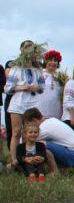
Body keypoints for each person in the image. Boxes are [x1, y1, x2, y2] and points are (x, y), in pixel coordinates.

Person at [5, 41, 45, 169]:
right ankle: (15, 161)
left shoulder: (37, 70)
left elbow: (42, 87)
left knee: (30, 132)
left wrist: (36, 87)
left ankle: (30, 160)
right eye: (26, 47)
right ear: (21, 49)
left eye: (31, 47)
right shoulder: (15, 69)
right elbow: (7, 88)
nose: (29, 50)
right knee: (16, 132)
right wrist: (22, 87)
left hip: (33, 103)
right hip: (18, 102)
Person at [37, 50, 63, 120]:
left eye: (55, 61)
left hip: (56, 110)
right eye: (50, 60)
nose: (53, 62)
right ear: (45, 61)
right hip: (40, 108)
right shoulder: (39, 73)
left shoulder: (61, 77)